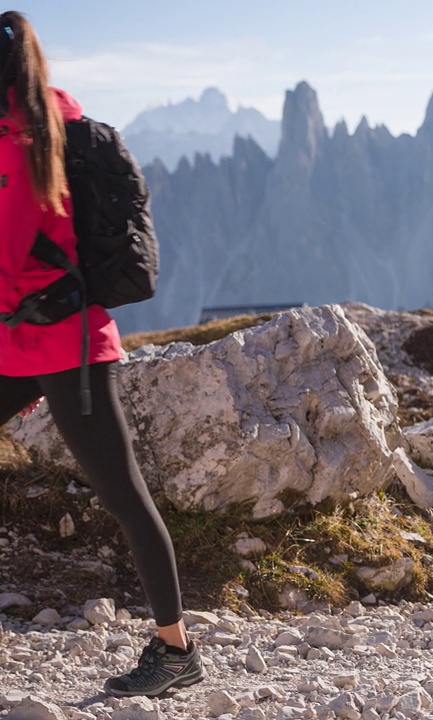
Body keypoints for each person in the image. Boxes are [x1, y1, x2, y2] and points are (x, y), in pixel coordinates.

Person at [0, 11, 204, 697]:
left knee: (123, 494)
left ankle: (175, 651)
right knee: (124, 496)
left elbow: (12, 253)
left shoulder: (25, 144)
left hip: (69, 351)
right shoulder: (47, 129)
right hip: (27, 341)